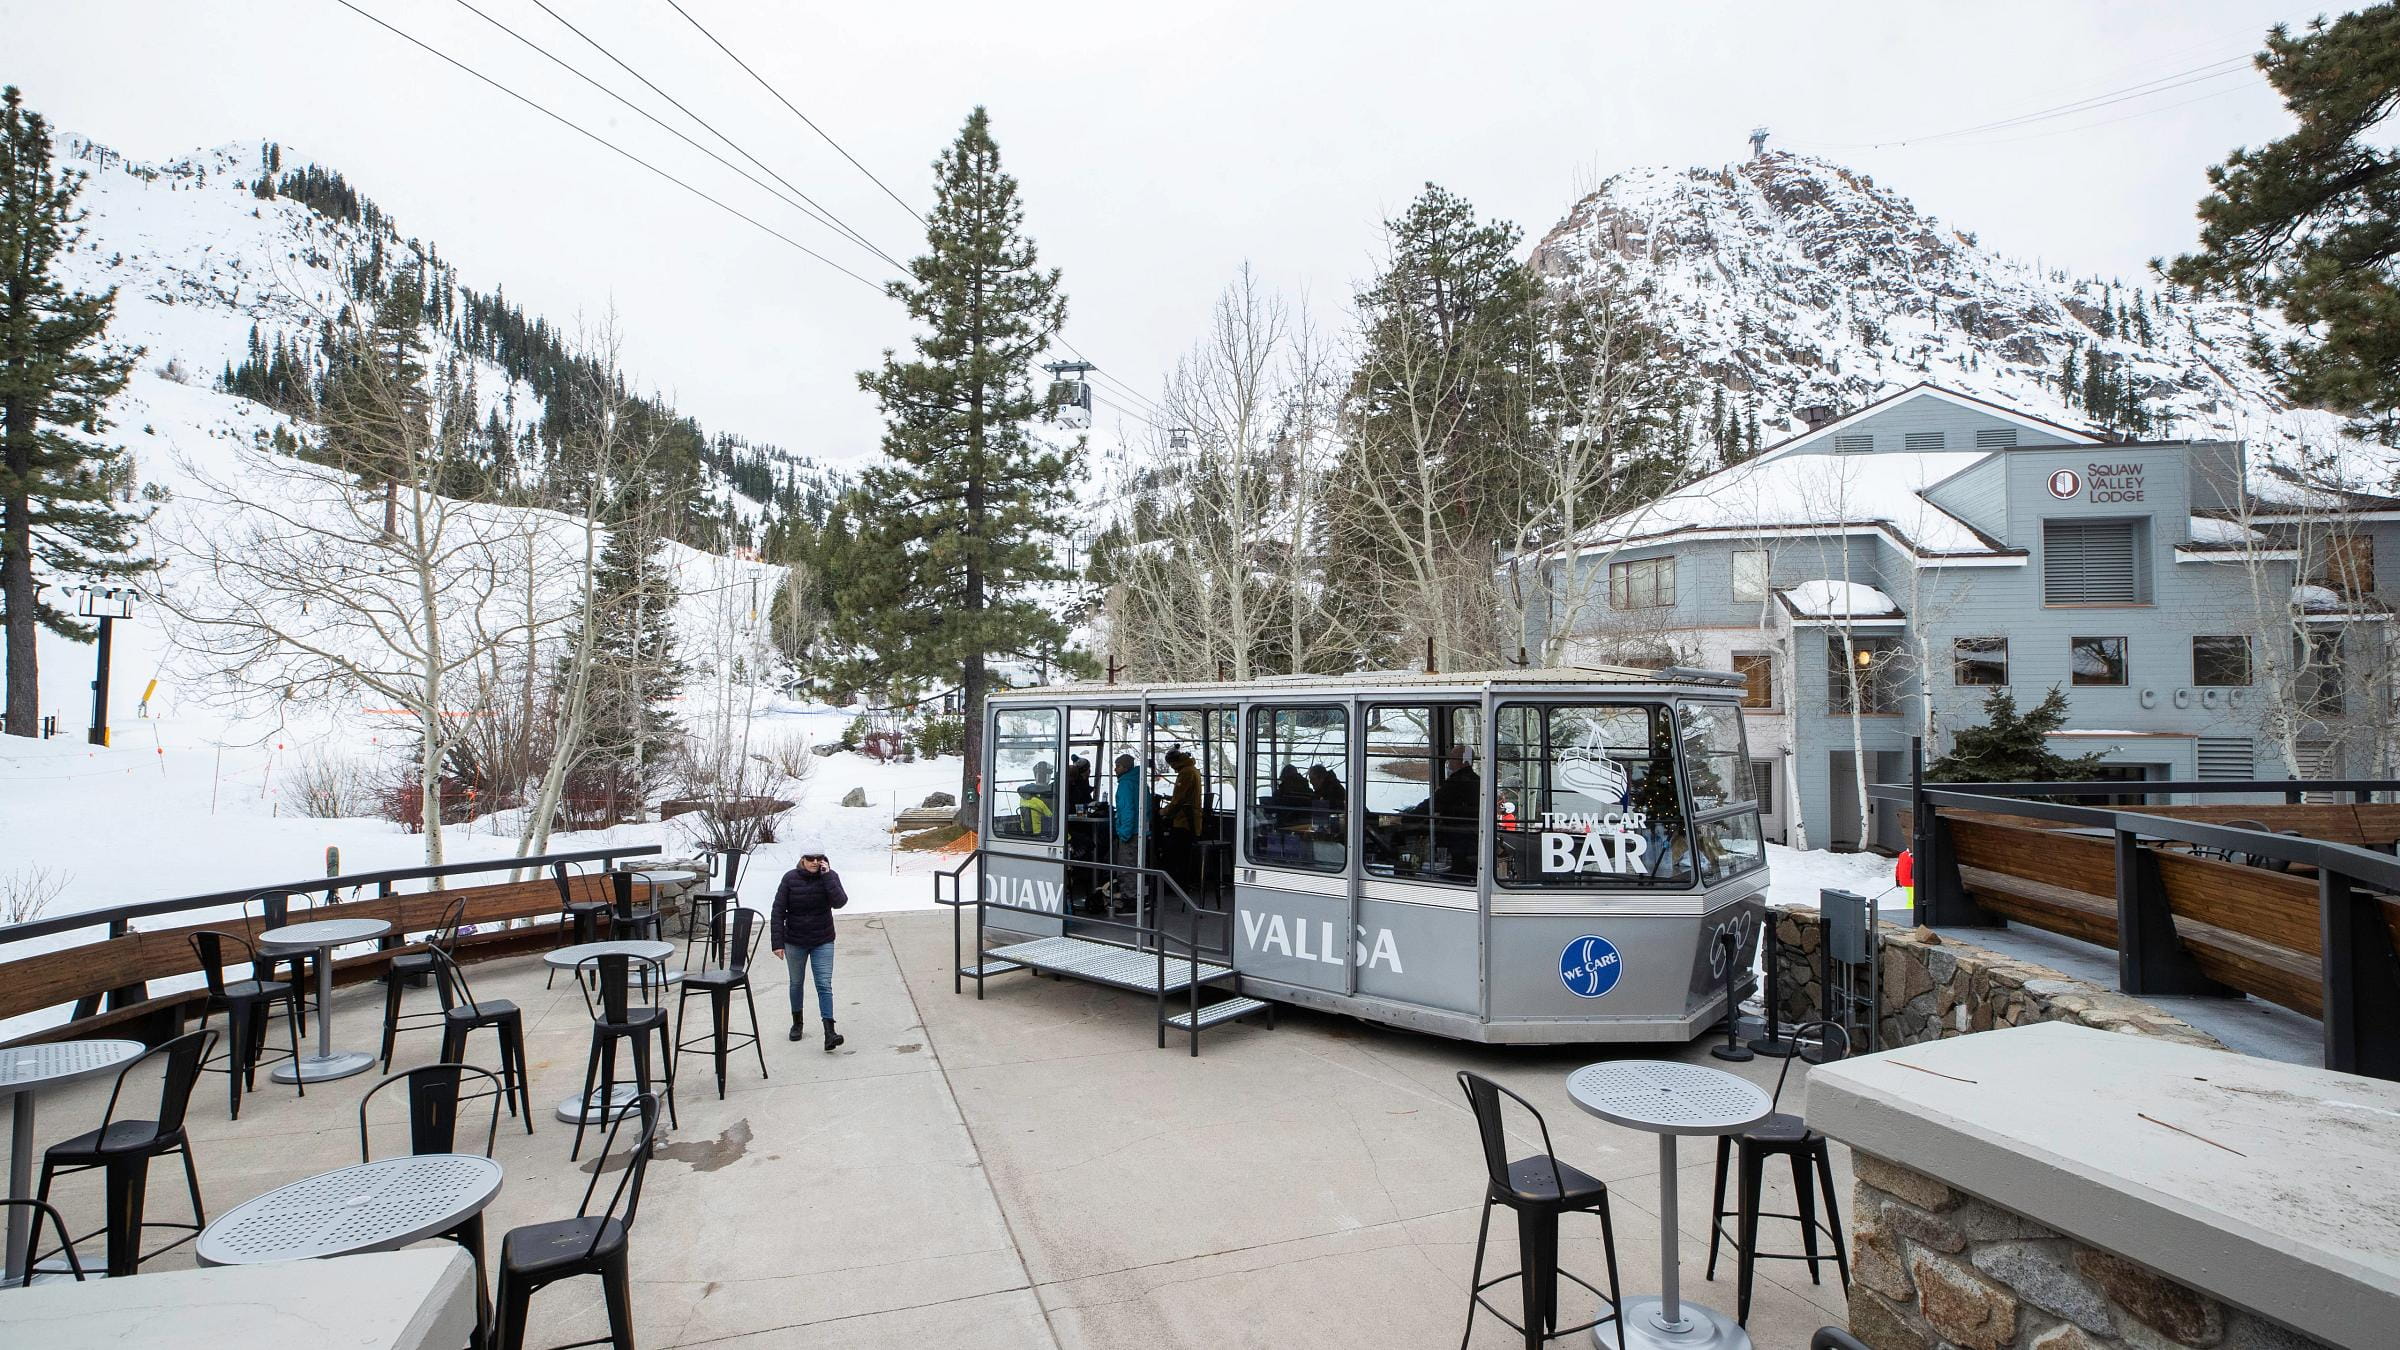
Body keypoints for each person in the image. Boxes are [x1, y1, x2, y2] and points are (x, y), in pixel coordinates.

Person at [771, 850, 849, 1051]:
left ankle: (829, 1032)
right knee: (796, 983)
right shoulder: (790, 878)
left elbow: (840, 902)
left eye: (819, 859)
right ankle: (797, 1022)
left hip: (822, 939)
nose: (815, 862)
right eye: (811, 859)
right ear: (802, 860)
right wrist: (777, 943)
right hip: (795, 940)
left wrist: (828, 876)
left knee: (824, 984)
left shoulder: (829, 877)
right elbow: (778, 910)